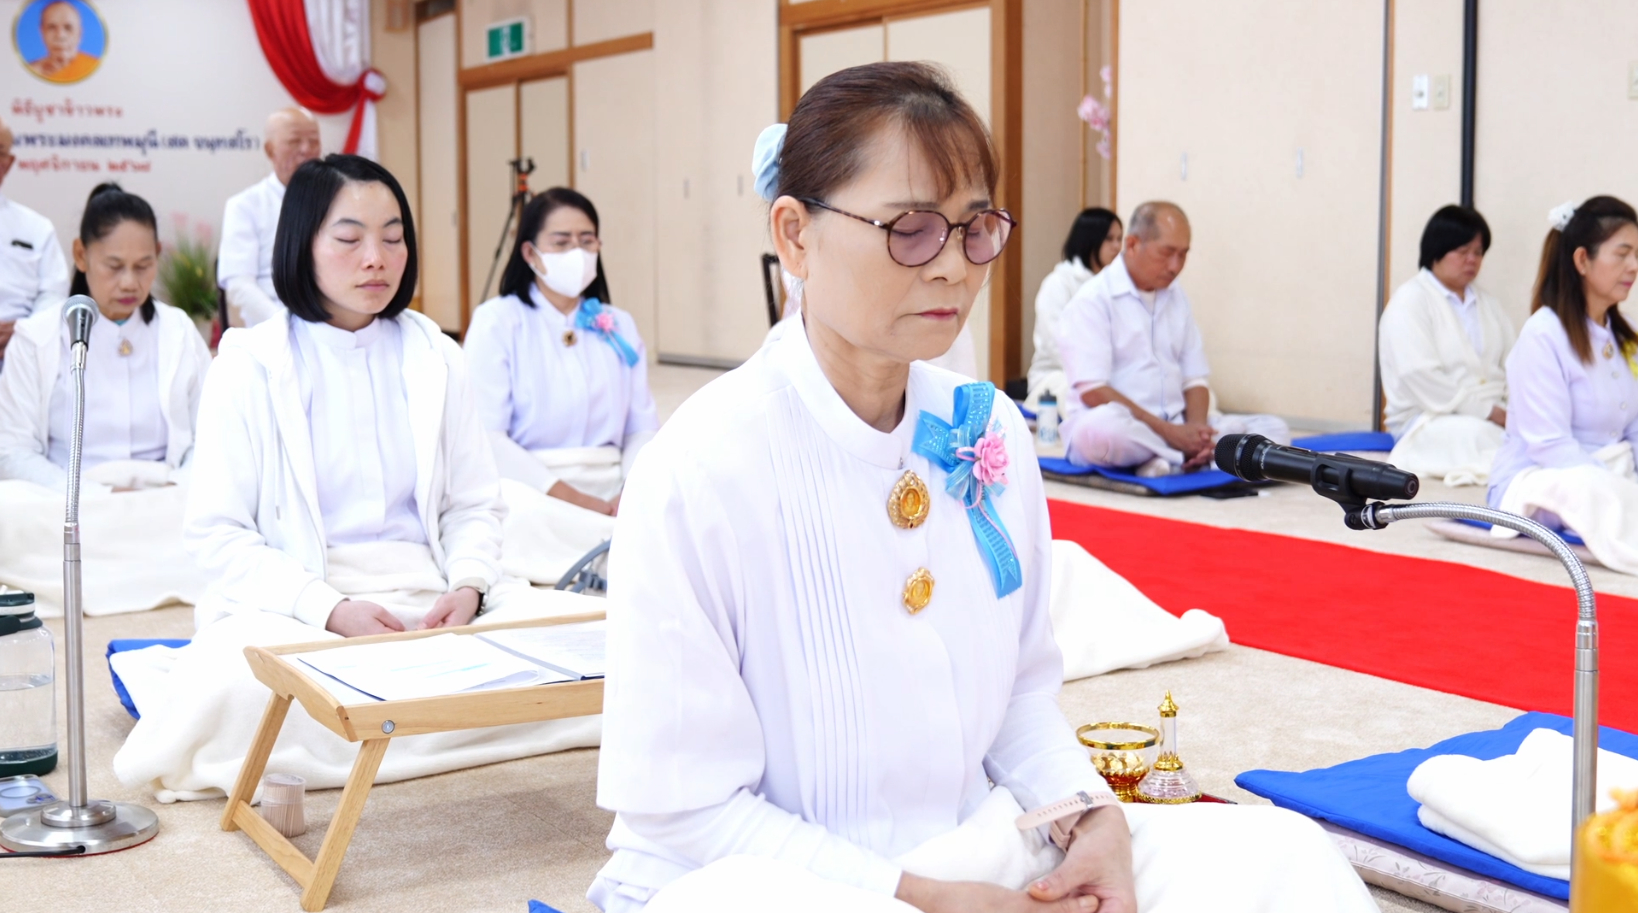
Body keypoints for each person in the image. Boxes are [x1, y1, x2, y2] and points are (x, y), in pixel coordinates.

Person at [588, 61, 1373, 913]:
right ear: (794, 235)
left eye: (975, 229)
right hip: (784, 882)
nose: (954, 268)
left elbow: (1019, 700)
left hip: (976, 849)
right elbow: (686, 813)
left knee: (1285, 857)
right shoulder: (698, 466)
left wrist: (1093, 816)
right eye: (911, 229)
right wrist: (925, 896)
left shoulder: (987, 427)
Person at [112, 155, 599, 801]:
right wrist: (330, 608)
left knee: (608, 639)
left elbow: (475, 503)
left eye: (393, 237)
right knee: (231, 688)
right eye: (349, 239)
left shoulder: (435, 353)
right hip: (299, 606)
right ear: (302, 245)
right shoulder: (249, 363)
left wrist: (469, 585)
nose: (376, 257)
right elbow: (218, 535)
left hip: (435, 601)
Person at [0, 183, 211, 614]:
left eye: (144, 265)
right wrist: (87, 493)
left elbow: (212, 434)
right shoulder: (37, 338)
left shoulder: (178, 331)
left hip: (164, 497)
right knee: (10, 509)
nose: (130, 282)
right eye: (114, 266)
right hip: (73, 501)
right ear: (81, 255)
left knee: (222, 509)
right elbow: (12, 450)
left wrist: (180, 483)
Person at [1056, 201, 1289, 476]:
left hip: (1178, 425)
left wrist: (1197, 432)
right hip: (1125, 426)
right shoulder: (1093, 300)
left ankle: (1174, 457)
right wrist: (1170, 433)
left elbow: (1195, 379)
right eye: (1166, 254)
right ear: (1132, 245)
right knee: (1104, 432)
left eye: (1183, 255)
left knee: (1276, 430)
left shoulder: (1176, 297)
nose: (1175, 266)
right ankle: (1179, 456)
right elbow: (1094, 390)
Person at [1488, 196, 1638, 575]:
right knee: (1591, 491)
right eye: (1622, 254)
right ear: (1582, 260)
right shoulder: (1544, 335)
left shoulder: (1625, 339)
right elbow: (1549, 445)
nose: (1633, 267)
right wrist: (1619, 488)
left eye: (1636, 255)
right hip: (1543, 479)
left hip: (1606, 475)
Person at [1379, 205, 1514, 485]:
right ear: (1436, 251)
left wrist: (1516, 410)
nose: (1472, 260)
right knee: (1481, 436)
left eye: (1478, 253)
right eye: (1463, 252)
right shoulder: (1410, 301)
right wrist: (1491, 412)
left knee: (1530, 436)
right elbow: (1419, 375)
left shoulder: (1489, 304)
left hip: (1493, 414)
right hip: (1427, 420)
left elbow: (1514, 364)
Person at [217, 107, 322, 327]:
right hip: (272, 327)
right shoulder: (245, 206)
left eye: (313, 142)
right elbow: (239, 285)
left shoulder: (336, 201)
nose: (306, 150)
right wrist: (287, 325)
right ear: (270, 150)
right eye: (294, 142)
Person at [1027, 207, 1122, 406]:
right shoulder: (1059, 283)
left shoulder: (1117, 286)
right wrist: (1095, 375)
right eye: (1109, 239)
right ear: (1090, 240)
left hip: (1105, 378)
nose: (1116, 246)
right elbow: (1055, 343)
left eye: (1119, 239)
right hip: (1057, 377)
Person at [0, 114, 71, 371]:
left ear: (8, 163)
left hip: (21, 355)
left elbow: (54, 294)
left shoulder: (36, 228)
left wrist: (23, 333)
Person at [26, 1, 100, 84]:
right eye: (51, 27)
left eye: (68, 28)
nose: (60, 36)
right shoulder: (29, 72)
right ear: (42, 32)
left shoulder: (97, 69)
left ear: (80, 33)